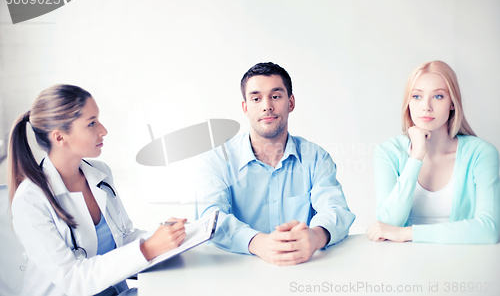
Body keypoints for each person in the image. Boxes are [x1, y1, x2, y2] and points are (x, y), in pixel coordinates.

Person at [8, 85, 187, 296]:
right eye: (91, 123)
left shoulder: (100, 173)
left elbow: (123, 237)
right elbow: (73, 280)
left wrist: (166, 238)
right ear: (59, 137)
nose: (103, 130)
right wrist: (148, 249)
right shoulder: (30, 200)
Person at [196, 62, 355, 266]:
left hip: (302, 271)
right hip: (233, 275)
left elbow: (336, 209)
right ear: (245, 107)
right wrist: (259, 243)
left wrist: (316, 236)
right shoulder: (216, 160)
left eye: (275, 96)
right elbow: (211, 219)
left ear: (291, 103)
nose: (266, 106)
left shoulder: (316, 157)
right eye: (256, 98)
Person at [366, 60, 500, 244]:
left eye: (438, 96)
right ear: (408, 103)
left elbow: (489, 230)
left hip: (462, 263)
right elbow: (387, 224)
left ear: (452, 103)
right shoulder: (388, 152)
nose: (426, 106)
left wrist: (408, 234)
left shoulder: (481, 154)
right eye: (417, 96)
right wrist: (416, 157)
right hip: (402, 263)